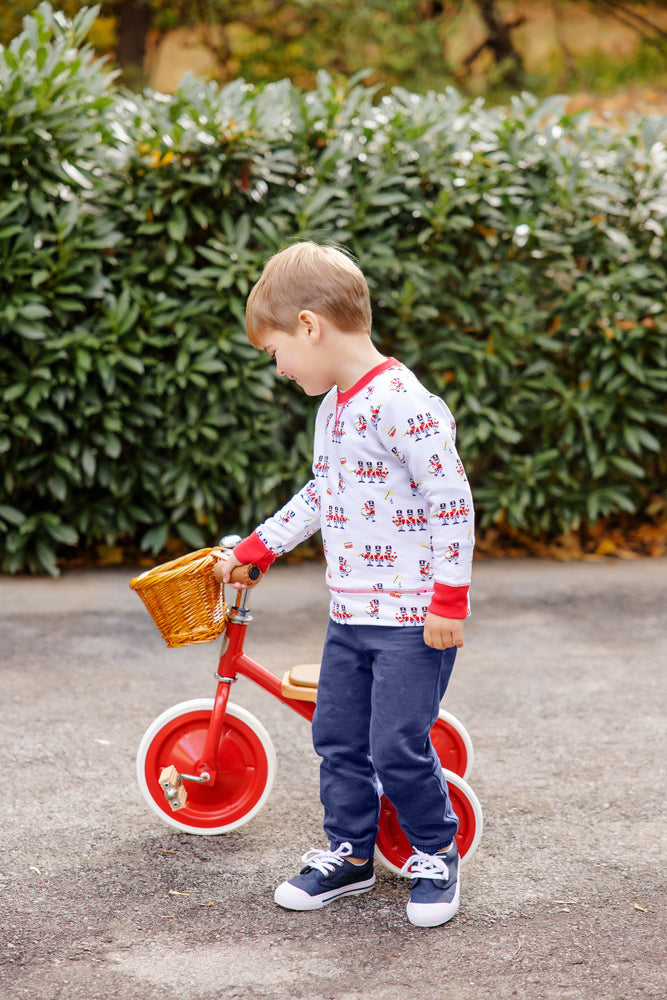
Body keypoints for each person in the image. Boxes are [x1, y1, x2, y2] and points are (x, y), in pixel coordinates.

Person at [214, 241, 474, 927]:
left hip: (413, 621)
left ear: (309, 326)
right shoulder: (334, 408)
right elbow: (320, 493)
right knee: (335, 736)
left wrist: (449, 599)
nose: (279, 368)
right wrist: (255, 548)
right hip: (351, 615)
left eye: (275, 353)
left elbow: (450, 500)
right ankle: (351, 853)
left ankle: (435, 852)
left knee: (396, 743)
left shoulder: (403, 403)